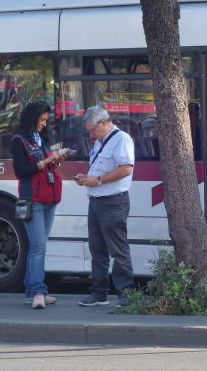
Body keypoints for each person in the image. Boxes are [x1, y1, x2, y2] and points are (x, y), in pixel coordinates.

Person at [75, 106, 135, 308]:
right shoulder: (100, 141)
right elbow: (100, 168)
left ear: (103, 122)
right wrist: (87, 178)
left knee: (118, 249)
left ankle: (126, 293)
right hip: (96, 201)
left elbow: (126, 168)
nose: (91, 135)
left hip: (113, 201)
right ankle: (99, 293)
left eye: (92, 130)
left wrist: (98, 181)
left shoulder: (121, 139)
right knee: (97, 249)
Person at [10, 101, 64, 310]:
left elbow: (43, 166)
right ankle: (38, 292)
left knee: (39, 245)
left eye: (45, 120)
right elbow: (21, 171)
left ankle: (32, 291)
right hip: (32, 199)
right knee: (38, 246)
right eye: (41, 120)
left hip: (48, 197)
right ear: (31, 118)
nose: (43, 124)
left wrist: (55, 160)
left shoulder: (39, 138)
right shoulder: (19, 140)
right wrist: (46, 160)